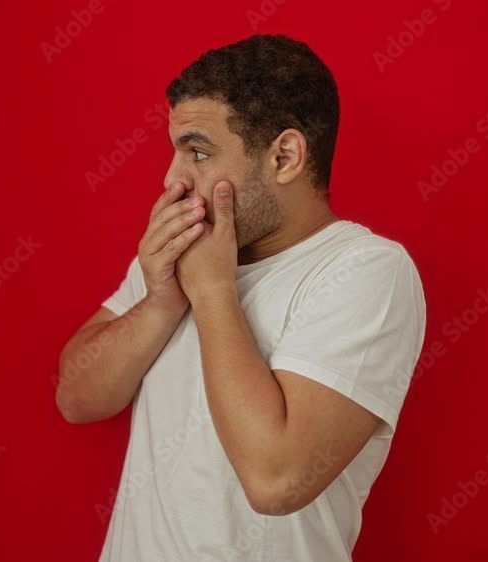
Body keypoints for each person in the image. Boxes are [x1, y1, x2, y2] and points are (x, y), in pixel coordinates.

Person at [56, 34, 427, 562]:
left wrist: (210, 293)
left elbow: (276, 480)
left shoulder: (366, 271)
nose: (172, 179)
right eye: (176, 151)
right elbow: (76, 399)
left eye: (199, 152)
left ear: (285, 156)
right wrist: (161, 302)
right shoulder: (185, 249)